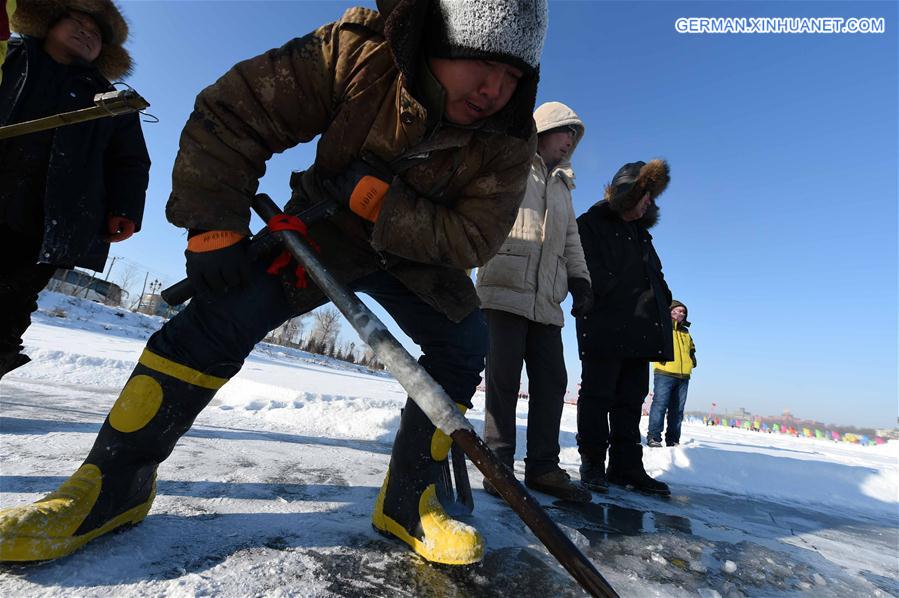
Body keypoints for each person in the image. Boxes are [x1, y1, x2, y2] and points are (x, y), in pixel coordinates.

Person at [0, 0, 548, 566]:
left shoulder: (510, 139)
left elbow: (472, 239)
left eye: (514, 76)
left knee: (465, 343)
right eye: (481, 62)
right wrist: (214, 223)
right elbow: (236, 112)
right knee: (216, 319)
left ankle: (410, 503)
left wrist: (381, 202)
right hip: (321, 229)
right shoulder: (360, 51)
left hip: (421, 260)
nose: (494, 89)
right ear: (437, 40)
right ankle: (113, 487)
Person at [0, 0, 150, 379]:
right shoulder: (10, 57)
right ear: (48, 21)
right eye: (77, 22)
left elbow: (130, 161)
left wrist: (126, 208)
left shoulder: (109, 99)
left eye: (96, 34)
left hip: (47, 223)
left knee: (10, 304)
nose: (86, 32)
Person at [476, 101, 593, 503]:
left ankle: (543, 467)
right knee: (503, 379)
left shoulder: (564, 186)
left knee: (552, 380)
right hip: (504, 286)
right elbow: (480, 211)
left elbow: (572, 239)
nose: (570, 142)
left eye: (574, 137)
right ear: (546, 129)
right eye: (567, 133)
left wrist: (580, 279)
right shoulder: (511, 165)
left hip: (546, 298)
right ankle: (498, 464)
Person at [574, 159, 673, 496]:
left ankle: (626, 465)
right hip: (605, 325)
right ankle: (592, 463)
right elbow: (586, 269)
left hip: (639, 329)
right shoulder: (591, 222)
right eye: (646, 195)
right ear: (629, 193)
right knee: (598, 397)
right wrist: (622, 293)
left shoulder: (640, 234)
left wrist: (666, 302)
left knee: (631, 400)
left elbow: (654, 277)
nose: (651, 203)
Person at [647, 300, 696, 447]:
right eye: (677, 310)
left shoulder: (685, 331)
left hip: (683, 376)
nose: (680, 313)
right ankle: (654, 437)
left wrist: (692, 359)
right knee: (660, 405)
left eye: (683, 312)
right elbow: (652, 342)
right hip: (665, 372)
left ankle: (673, 440)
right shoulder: (662, 326)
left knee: (678, 411)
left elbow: (692, 347)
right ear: (670, 311)